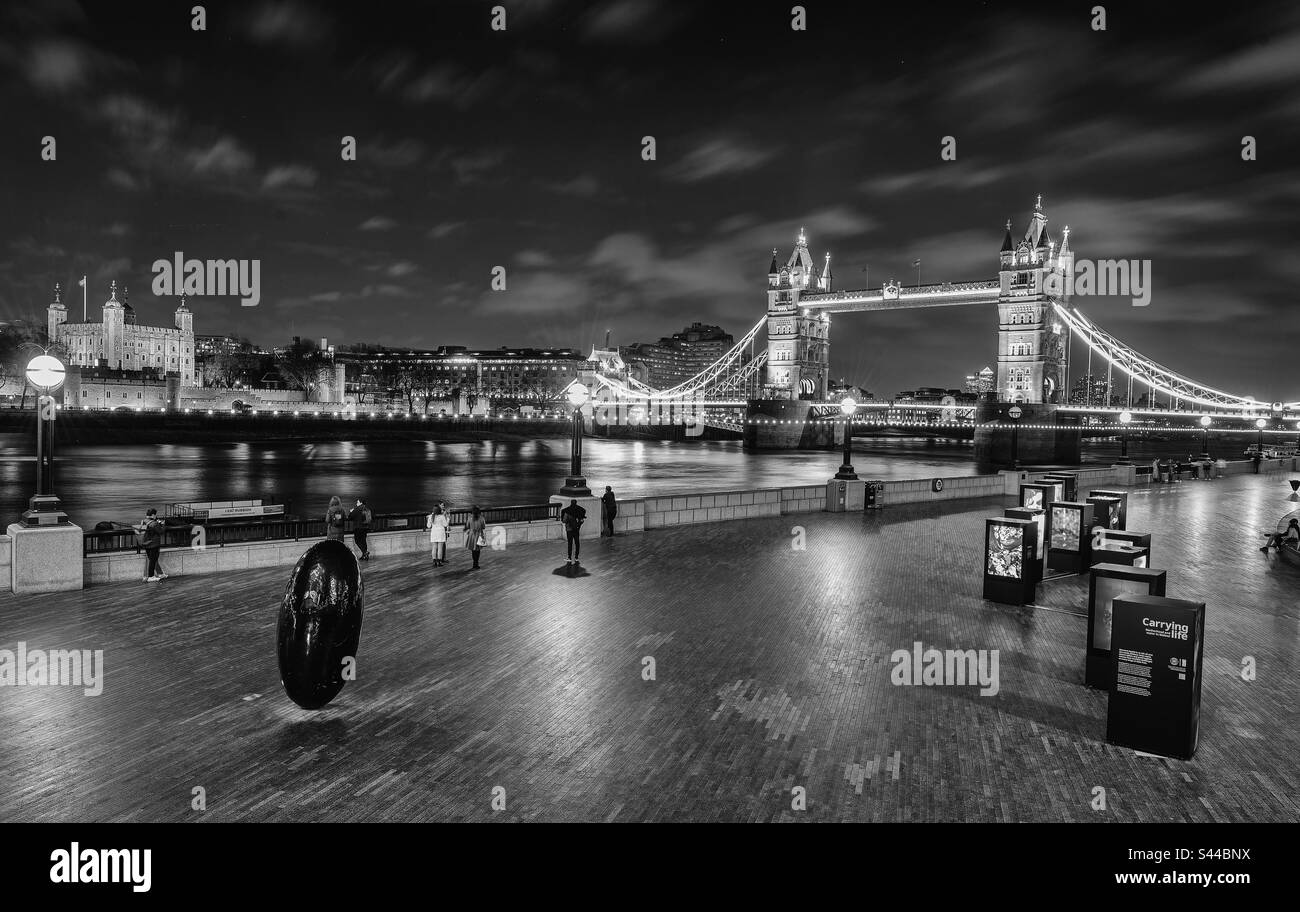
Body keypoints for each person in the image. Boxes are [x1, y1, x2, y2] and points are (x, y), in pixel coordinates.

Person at [137, 508, 168, 582]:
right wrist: (163, 525)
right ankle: (151, 576)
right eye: (155, 515)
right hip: (154, 544)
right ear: (153, 515)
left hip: (146, 543)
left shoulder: (143, 521)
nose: (156, 516)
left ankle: (160, 574)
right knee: (153, 560)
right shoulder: (154, 523)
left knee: (152, 559)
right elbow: (161, 532)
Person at [560, 498, 587, 563]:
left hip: (569, 529)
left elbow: (564, 521)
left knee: (570, 543)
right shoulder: (579, 510)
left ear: (571, 503)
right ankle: (576, 557)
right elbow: (582, 518)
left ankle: (569, 557)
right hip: (576, 529)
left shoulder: (567, 511)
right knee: (577, 543)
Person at [464, 505, 487, 570]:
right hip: (479, 535)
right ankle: (476, 564)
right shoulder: (482, 518)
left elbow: (467, 526)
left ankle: (474, 564)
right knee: (478, 550)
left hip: (472, 535)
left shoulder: (469, 518)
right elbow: (483, 527)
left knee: (473, 550)